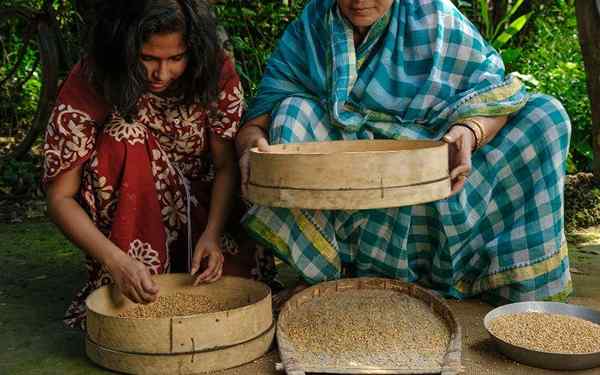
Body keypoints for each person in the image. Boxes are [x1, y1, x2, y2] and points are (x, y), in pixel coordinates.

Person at [236, 0, 572, 304]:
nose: (359, 2)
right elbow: (259, 119)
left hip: (435, 159)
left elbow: (496, 93)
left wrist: (470, 132)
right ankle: (325, 271)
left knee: (547, 117)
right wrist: (251, 147)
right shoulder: (313, 25)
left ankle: (496, 274)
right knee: (292, 112)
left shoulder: (434, 15)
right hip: (353, 161)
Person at [43, 0, 276, 329]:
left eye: (176, 58)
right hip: (133, 217)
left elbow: (227, 167)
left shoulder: (213, 69)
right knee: (125, 134)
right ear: (124, 49)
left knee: (236, 298)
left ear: (191, 51)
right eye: (147, 58)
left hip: (208, 211)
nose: (161, 73)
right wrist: (115, 261)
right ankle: (135, 271)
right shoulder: (95, 76)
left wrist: (211, 235)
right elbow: (60, 197)